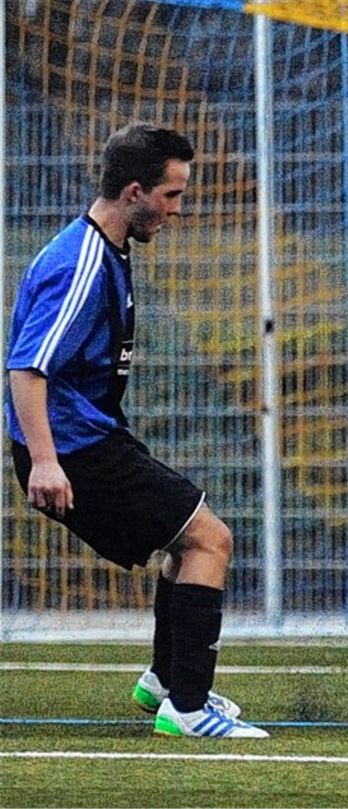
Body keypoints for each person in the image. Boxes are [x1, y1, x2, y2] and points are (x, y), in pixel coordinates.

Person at [5, 123, 267, 739]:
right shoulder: (81, 261)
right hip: (74, 449)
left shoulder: (106, 247)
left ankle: (164, 681)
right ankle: (188, 707)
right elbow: (25, 366)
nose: (177, 210)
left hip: (90, 437)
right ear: (132, 192)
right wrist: (45, 462)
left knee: (186, 538)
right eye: (171, 196)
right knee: (211, 541)